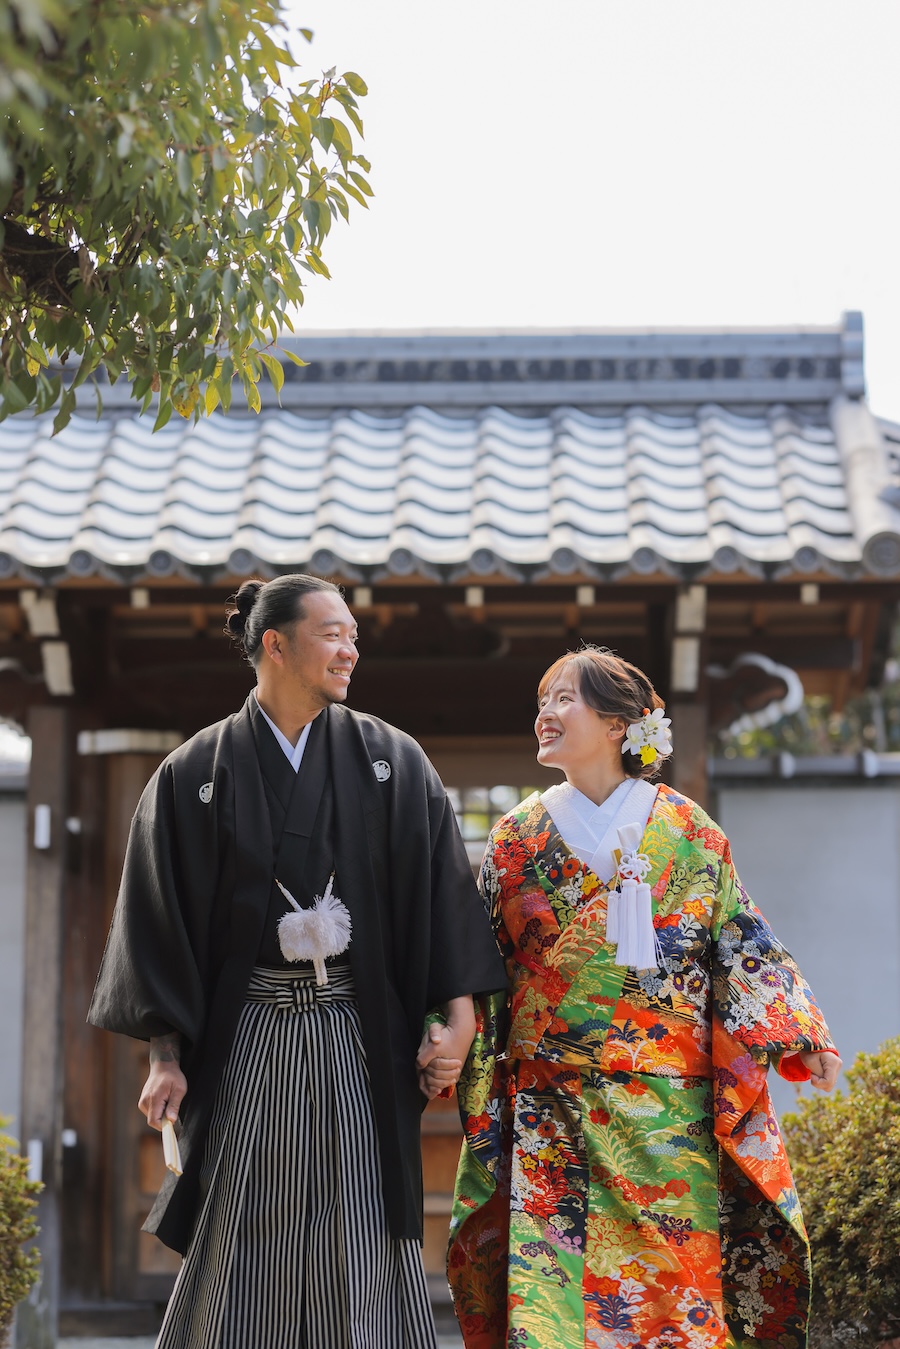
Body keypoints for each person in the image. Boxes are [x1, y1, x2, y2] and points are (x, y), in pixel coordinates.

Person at [88, 574, 505, 1349]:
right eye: (332, 634)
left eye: (354, 635)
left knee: (359, 1217)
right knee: (244, 1213)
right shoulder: (193, 772)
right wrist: (165, 1054)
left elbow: (439, 889)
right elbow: (158, 917)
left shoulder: (392, 759)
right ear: (274, 644)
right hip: (248, 1032)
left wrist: (457, 1016)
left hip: (356, 1029)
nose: (351, 649)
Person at [449, 646, 840, 1349]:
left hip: (666, 1114)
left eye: (563, 698)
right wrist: (446, 1031)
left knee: (672, 1312)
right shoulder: (515, 837)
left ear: (618, 723)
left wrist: (799, 1031)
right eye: (542, 700)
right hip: (551, 1111)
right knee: (550, 1318)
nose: (544, 713)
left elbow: (739, 939)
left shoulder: (690, 831)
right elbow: (478, 962)